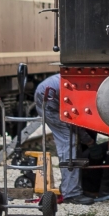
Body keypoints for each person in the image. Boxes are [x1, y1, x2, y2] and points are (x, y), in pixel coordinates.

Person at [33, 72, 87, 202]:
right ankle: (71, 193)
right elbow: (75, 117)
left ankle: (69, 188)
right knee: (68, 141)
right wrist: (87, 139)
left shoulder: (76, 80)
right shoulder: (76, 86)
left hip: (49, 95)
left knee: (70, 139)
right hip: (50, 100)